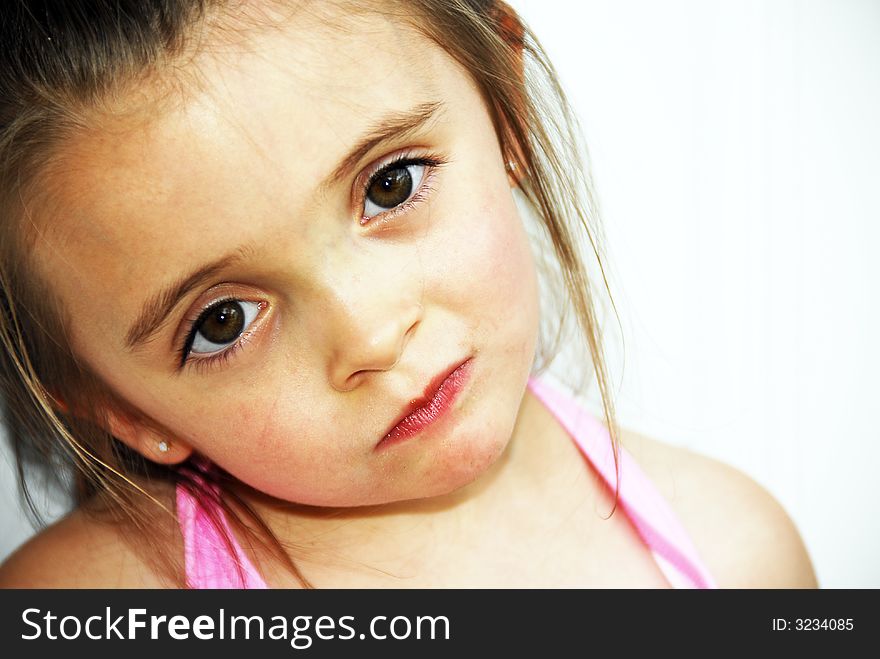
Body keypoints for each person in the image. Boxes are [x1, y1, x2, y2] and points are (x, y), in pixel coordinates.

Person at [0, 0, 816, 588]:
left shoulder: (740, 553)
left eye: (391, 185)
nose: (372, 335)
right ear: (121, 407)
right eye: (223, 321)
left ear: (506, 107)